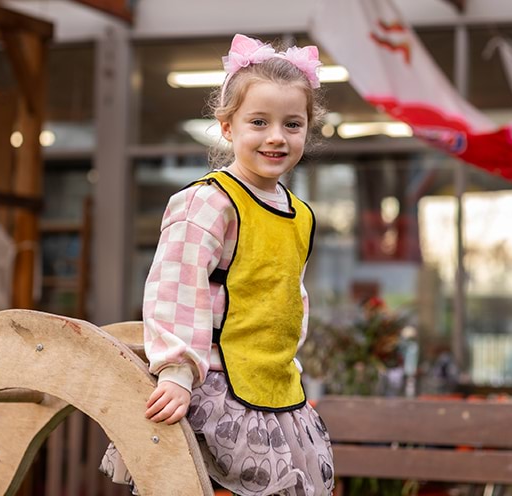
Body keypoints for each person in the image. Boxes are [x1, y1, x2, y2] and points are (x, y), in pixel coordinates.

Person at [100, 33, 335, 496]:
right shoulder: (209, 203)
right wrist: (177, 372)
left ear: (308, 129)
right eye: (259, 122)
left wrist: (288, 365)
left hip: (274, 386)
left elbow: (288, 298)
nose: (276, 137)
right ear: (228, 127)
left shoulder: (300, 214)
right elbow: (177, 286)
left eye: (292, 124)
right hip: (212, 383)